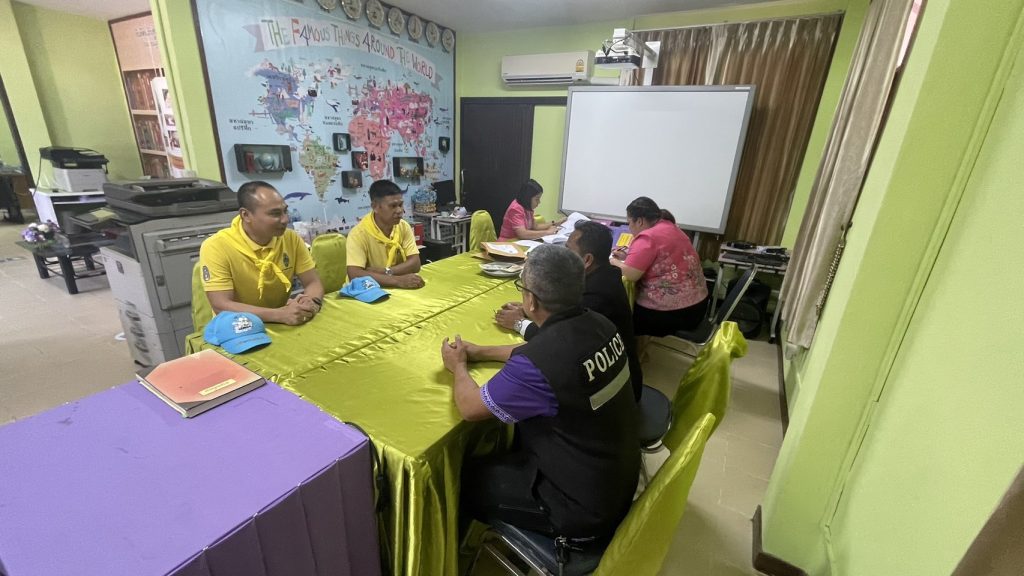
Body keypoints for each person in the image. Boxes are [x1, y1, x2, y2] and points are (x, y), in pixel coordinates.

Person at [440, 244, 639, 541]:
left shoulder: (538, 365)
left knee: (459, 479)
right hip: (615, 477)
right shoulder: (599, 323)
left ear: (531, 301)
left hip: (578, 506)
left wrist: (458, 366)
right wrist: (479, 351)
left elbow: (470, 407)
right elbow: (536, 349)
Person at [495, 221, 643, 401]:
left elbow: (559, 339)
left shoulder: (596, 296)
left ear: (587, 260)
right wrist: (532, 307)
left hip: (615, 393)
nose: (562, 255)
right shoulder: (607, 274)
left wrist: (519, 323)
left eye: (568, 250)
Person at [199, 181, 324, 326]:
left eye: (285, 211)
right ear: (246, 215)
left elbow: (313, 282)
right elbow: (221, 305)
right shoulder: (216, 246)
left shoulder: (290, 238)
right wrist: (279, 315)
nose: (285, 219)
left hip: (281, 321)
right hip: (239, 326)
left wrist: (311, 302)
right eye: (275, 214)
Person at [611, 196, 708, 348]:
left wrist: (612, 261)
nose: (629, 227)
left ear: (640, 221)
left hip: (674, 314)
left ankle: (632, 354)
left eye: (629, 222)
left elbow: (631, 274)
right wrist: (626, 257)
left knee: (619, 316)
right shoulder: (671, 227)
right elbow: (657, 258)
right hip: (699, 306)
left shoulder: (647, 237)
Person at [346, 179, 425, 289]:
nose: (399, 210)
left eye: (401, 204)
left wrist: (386, 271)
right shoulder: (358, 234)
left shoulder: (403, 226)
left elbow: (415, 264)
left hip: (394, 286)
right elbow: (354, 274)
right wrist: (397, 280)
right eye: (393, 206)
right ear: (375, 207)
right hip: (367, 291)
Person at [498, 179, 563, 241]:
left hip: (519, 242)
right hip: (507, 243)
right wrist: (547, 232)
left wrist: (555, 223)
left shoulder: (527, 207)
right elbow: (522, 234)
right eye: (537, 199)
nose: (539, 202)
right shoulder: (515, 209)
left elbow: (535, 226)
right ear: (527, 198)